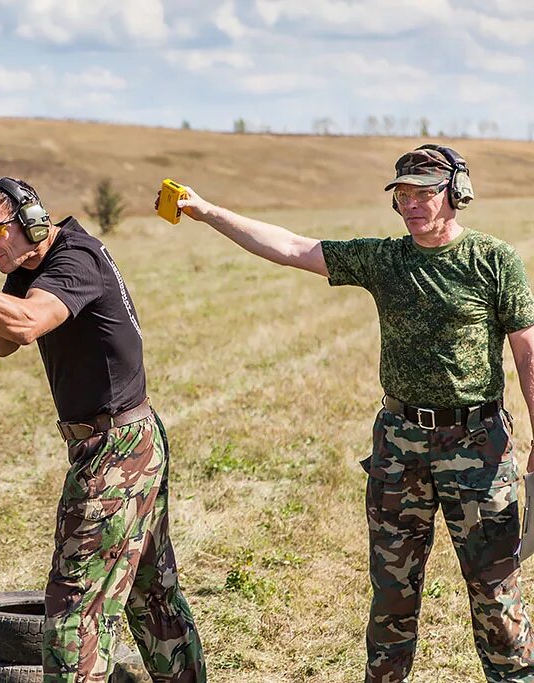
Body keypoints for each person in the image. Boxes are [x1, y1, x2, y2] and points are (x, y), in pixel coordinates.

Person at [164, 145, 534, 682]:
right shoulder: (385, 259)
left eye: (423, 192)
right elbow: (292, 247)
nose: (410, 205)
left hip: (478, 448)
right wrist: (207, 210)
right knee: (392, 594)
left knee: (496, 593)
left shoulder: (493, 260)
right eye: (402, 195)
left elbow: (527, 349)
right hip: (400, 445)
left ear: (456, 194)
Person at [0, 177, 205, 681]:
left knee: (74, 614)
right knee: (151, 594)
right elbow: (3, 343)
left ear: (33, 219)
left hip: (116, 449)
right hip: (124, 439)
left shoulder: (76, 258)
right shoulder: (28, 266)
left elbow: (25, 324)